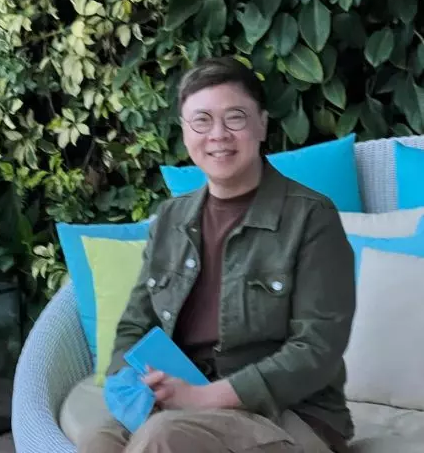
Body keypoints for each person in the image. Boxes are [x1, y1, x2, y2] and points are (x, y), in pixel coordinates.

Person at [78, 57, 356, 453]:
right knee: (99, 441)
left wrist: (201, 398)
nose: (218, 134)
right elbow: (135, 326)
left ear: (262, 124)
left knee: (164, 438)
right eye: (202, 121)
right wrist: (136, 384)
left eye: (235, 118)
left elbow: (317, 349)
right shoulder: (171, 218)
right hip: (185, 403)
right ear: (185, 132)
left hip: (289, 415)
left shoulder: (311, 217)